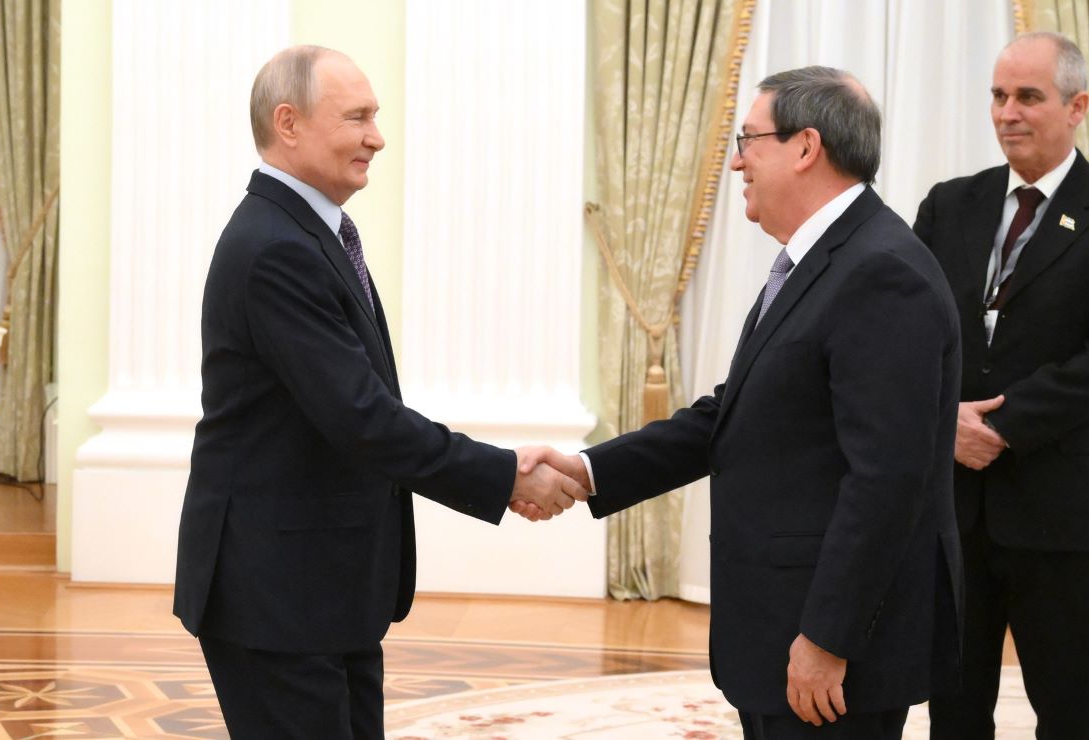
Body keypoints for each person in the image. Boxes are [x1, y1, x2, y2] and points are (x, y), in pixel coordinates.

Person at [522, 66, 963, 740]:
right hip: (781, 627)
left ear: (805, 146)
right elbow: (737, 414)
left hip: (831, 650)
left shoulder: (880, 272)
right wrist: (589, 471)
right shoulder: (825, 261)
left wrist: (827, 638)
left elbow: (887, 480)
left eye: (748, 139)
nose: (735, 161)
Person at [173, 46, 586, 739]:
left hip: (323, 587)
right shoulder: (277, 247)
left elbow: (362, 409)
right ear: (289, 123)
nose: (377, 136)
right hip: (277, 596)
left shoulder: (312, 234)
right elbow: (362, 418)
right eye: (357, 117)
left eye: (376, 117)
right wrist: (502, 471)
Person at [912, 32, 1089, 739]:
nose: (1007, 113)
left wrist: (997, 426)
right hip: (953, 512)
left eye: (1028, 96)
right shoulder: (947, 206)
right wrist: (946, 422)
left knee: (1064, 711)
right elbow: (905, 338)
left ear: (1077, 105)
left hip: (1057, 512)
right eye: (998, 96)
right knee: (953, 710)